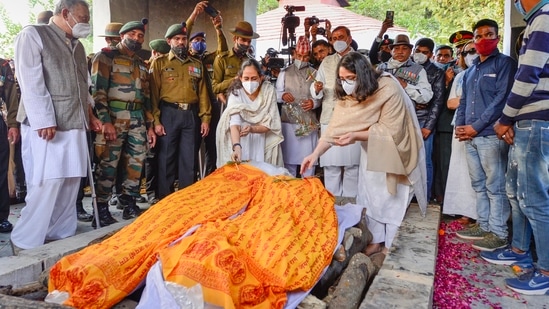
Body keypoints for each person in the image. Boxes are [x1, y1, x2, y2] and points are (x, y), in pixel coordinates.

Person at [301, 52, 427, 255]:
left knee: (390, 198)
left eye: (351, 78)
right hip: (371, 150)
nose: (347, 84)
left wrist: (355, 135)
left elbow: (392, 131)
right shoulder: (349, 95)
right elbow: (335, 128)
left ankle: (389, 245)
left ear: (364, 75)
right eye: (342, 79)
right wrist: (314, 154)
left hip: (396, 150)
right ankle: (376, 241)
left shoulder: (388, 88)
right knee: (370, 194)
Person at [11, 0, 101, 252]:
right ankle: (26, 240)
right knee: (47, 181)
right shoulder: (33, 35)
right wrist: (44, 119)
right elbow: (31, 81)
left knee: (71, 180)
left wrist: (90, 115)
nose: (86, 23)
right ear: (65, 13)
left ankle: (60, 234)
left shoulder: (78, 46)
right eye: (83, 17)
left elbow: (84, 86)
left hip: (74, 122)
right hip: (47, 126)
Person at [481, 0, 549, 295]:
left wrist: (505, 118)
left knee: (534, 196)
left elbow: (527, 76)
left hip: (536, 120)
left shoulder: (545, 18)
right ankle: (520, 250)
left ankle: (545, 270)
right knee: (515, 191)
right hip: (525, 120)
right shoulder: (537, 20)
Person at [454, 19, 517, 251]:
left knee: (495, 185)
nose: (483, 40)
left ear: (497, 37)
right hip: (469, 135)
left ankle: (499, 233)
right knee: (478, 184)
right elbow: (463, 101)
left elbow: (502, 100)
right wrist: (461, 126)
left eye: (488, 34)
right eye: (478, 36)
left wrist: (476, 126)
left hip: (491, 135)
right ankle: (483, 224)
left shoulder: (505, 64)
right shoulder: (471, 71)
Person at [92, 19, 157, 226]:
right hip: (114, 117)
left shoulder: (140, 63)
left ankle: (128, 201)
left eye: (140, 36)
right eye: (133, 35)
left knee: (136, 163)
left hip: (137, 118)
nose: (137, 39)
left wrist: (149, 126)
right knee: (108, 163)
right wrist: (105, 122)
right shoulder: (105, 57)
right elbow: (97, 92)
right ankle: (101, 207)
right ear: (122, 36)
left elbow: (145, 97)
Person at [150, 22, 211, 198]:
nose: (181, 42)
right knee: (166, 158)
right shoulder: (160, 63)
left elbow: (203, 94)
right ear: (169, 41)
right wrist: (156, 121)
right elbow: (153, 94)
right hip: (168, 113)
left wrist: (205, 118)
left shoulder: (196, 64)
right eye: (177, 39)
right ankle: (165, 199)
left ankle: (185, 200)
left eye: (184, 39)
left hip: (191, 115)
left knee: (189, 159)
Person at [311, 26, 361, 201]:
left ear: (349, 38)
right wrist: (316, 88)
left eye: (341, 36)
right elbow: (318, 84)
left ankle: (351, 208)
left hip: (354, 117)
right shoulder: (327, 61)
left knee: (352, 167)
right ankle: (332, 208)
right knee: (331, 167)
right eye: (333, 37)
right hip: (330, 116)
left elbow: (368, 87)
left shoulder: (361, 59)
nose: (337, 40)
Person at [216, 58, 283, 166]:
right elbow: (234, 124)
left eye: (254, 78)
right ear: (240, 78)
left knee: (261, 175)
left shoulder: (268, 91)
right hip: (239, 139)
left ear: (261, 78)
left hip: (262, 140)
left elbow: (271, 123)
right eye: (246, 78)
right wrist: (237, 147)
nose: (250, 82)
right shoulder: (236, 93)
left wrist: (252, 129)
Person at [442, 41, 477, 224]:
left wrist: (464, 100)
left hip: (484, 129)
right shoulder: (461, 76)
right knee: (461, 169)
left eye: (475, 50)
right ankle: (464, 210)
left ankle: (481, 215)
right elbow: (451, 103)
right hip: (461, 126)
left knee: (482, 172)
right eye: (468, 52)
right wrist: (472, 98)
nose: (472, 54)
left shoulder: (495, 71)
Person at [276, 36, 319, 177]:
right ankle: (291, 195)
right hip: (289, 123)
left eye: (306, 56)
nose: (302, 59)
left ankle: (309, 193)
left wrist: (314, 103)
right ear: (294, 54)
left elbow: (320, 97)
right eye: (299, 55)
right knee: (289, 163)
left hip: (308, 123)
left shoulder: (315, 73)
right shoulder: (284, 73)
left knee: (308, 163)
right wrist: (282, 96)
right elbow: (275, 94)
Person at [412, 38, 445, 202]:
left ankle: (424, 197)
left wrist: (428, 127)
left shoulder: (437, 72)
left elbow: (438, 101)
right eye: (417, 51)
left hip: (425, 121)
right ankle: (410, 197)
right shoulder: (407, 69)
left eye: (424, 52)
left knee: (425, 161)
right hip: (406, 121)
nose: (420, 55)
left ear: (431, 54)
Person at [212, 21, 259, 106]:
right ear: (235, 39)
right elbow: (215, 88)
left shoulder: (251, 61)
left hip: (247, 104)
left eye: (249, 41)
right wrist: (234, 80)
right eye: (243, 40)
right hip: (228, 104)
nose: (246, 44)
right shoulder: (222, 59)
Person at [0, 58, 19, 233]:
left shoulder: (3, 66)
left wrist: (13, 124)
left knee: (1, 170)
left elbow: (11, 97)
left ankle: (1, 217)